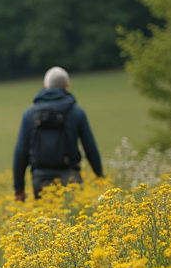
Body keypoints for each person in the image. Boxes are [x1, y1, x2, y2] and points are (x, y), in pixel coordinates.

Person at [13, 66, 103, 201]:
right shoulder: (76, 112)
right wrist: (100, 176)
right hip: (70, 176)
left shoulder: (30, 113)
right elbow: (90, 147)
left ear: (45, 85)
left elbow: (20, 153)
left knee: (45, 221)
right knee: (74, 218)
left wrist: (19, 189)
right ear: (67, 86)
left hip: (40, 178)